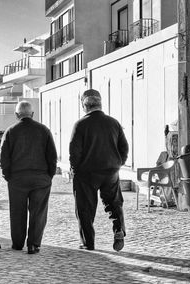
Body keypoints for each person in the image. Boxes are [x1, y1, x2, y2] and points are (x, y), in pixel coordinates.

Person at [69, 89, 129, 252]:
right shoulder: (113, 123)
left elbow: (74, 152)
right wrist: (118, 163)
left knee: (85, 208)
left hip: (86, 174)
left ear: (84, 106)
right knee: (114, 203)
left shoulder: (80, 125)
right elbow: (124, 147)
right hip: (110, 171)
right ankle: (118, 229)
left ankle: (88, 242)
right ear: (101, 104)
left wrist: (75, 170)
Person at [0, 101, 57, 254]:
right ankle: (33, 244)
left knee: (17, 212)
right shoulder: (44, 130)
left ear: (17, 115)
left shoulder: (11, 131)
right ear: (32, 114)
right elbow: (52, 156)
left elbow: (3, 158)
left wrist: (8, 176)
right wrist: (49, 176)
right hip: (41, 178)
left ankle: (18, 243)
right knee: (38, 212)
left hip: (17, 179)